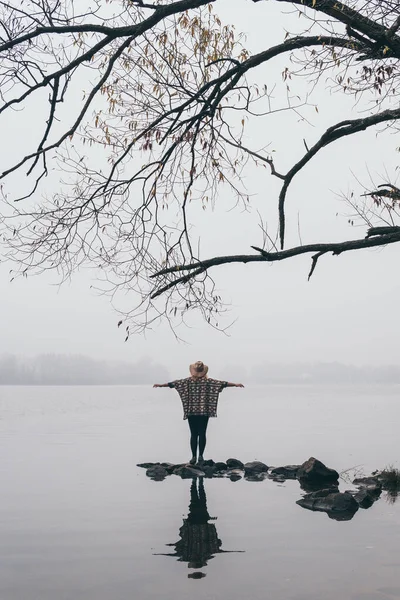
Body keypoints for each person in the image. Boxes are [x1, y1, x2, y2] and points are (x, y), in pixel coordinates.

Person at [153, 361, 244, 465]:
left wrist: (161, 385)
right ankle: (201, 456)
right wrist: (236, 385)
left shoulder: (187, 381)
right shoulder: (209, 382)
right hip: (204, 412)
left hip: (191, 411)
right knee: (202, 433)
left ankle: (193, 457)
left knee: (193, 434)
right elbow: (223, 383)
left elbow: (173, 384)